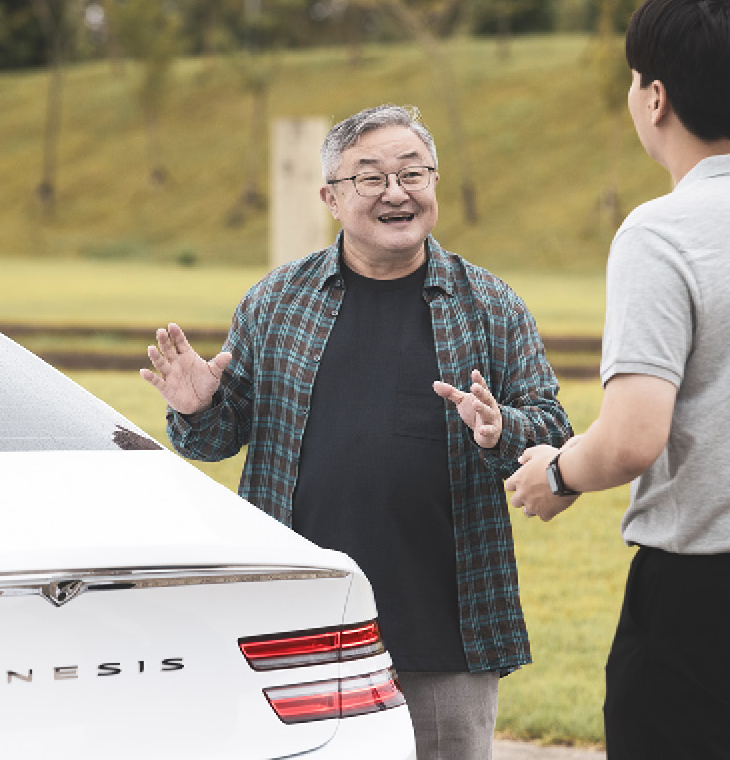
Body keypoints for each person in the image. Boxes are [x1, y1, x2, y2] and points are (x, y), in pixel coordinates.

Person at [142, 104, 571, 759]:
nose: (396, 192)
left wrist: (499, 429)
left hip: (445, 630)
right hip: (298, 630)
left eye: (413, 173)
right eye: (370, 178)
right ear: (331, 198)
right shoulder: (276, 302)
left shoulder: (492, 306)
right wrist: (199, 405)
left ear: (434, 184)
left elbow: (552, 436)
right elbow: (213, 441)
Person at [505, 0, 730, 759]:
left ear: (654, 97)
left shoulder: (661, 233)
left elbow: (633, 437)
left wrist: (556, 473)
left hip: (708, 603)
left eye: (635, 80)